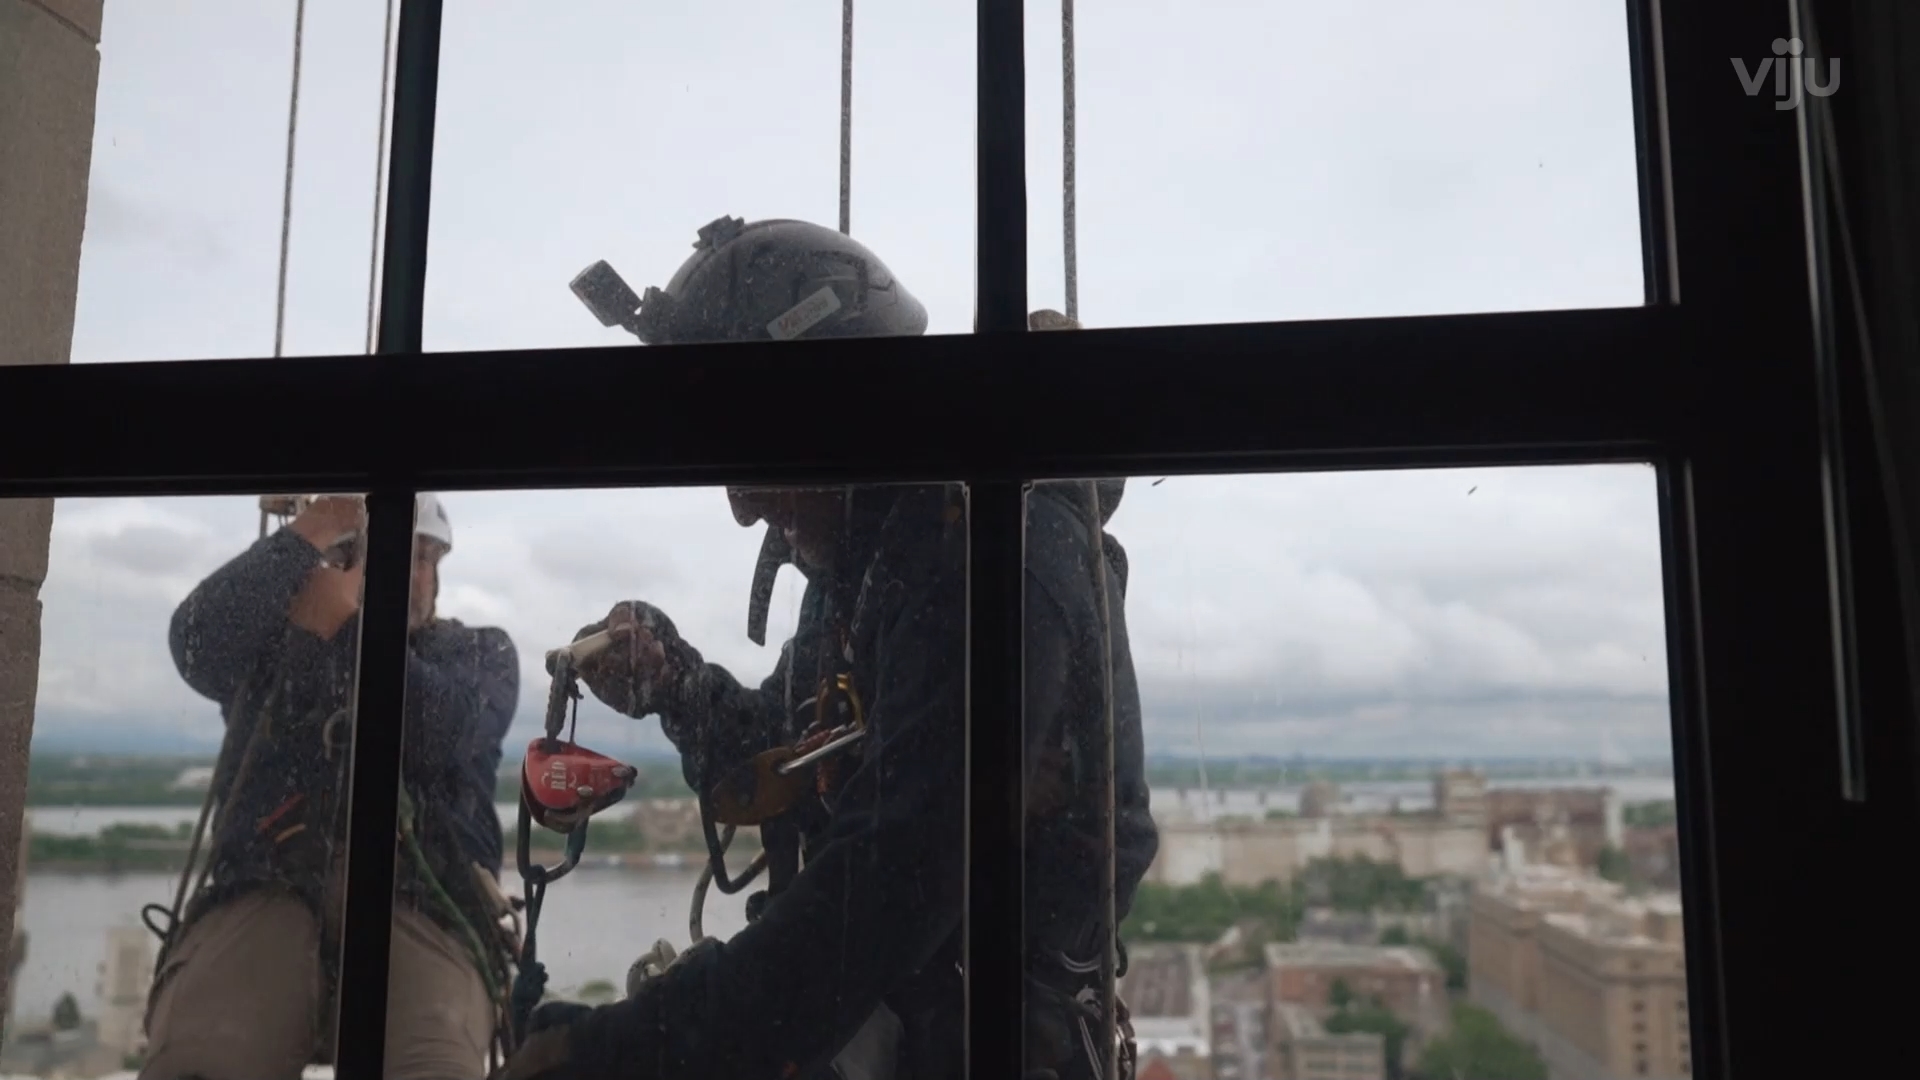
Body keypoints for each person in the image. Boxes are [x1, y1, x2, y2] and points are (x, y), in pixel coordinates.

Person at [495, 217, 1159, 1080]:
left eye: (749, 456)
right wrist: (673, 681)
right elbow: (784, 752)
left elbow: (891, 884)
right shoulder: (872, 571)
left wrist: (624, 1049)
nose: (742, 507)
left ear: (839, 414)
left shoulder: (998, 557)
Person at [142, 493, 521, 1080]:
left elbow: (438, 730)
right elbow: (198, 644)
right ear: (341, 556)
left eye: (425, 558)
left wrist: (343, 626)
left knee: (434, 1070)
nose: (412, 574)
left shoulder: (479, 653)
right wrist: (309, 532)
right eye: (391, 553)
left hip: (423, 895)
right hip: (271, 879)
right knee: (202, 1065)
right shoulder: (278, 644)